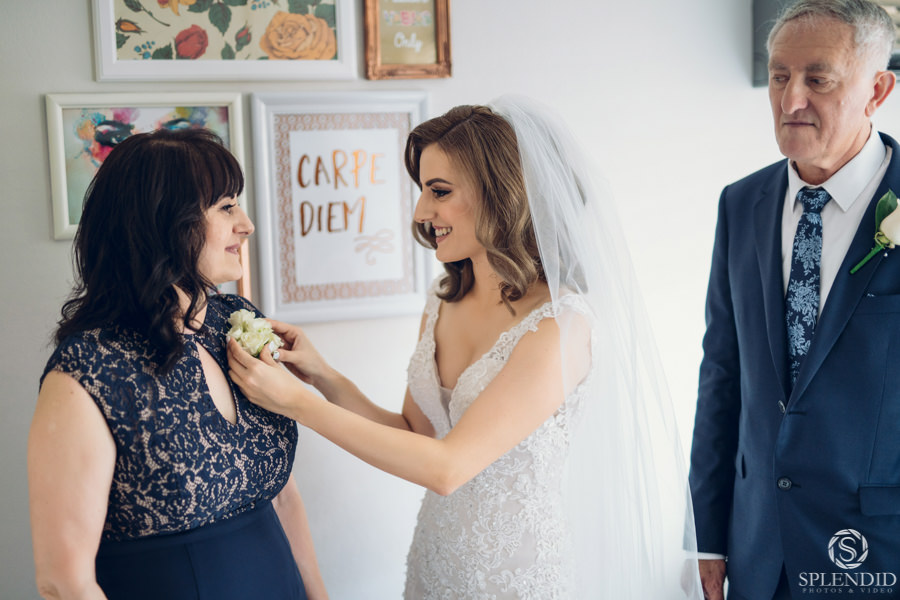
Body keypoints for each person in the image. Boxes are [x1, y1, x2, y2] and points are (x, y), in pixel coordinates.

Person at [228, 97, 703, 598]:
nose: (421, 212)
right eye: (422, 191)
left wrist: (296, 405)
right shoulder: (443, 300)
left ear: (500, 194)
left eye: (439, 191)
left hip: (515, 579)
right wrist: (323, 377)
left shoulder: (560, 325)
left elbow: (448, 467)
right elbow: (416, 434)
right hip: (436, 561)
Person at [28, 128, 328, 600]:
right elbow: (64, 581)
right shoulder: (88, 371)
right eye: (227, 207)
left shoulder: (237, 321)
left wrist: (318, 594)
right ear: (166, 222)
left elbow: (284, 496)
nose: (247, 224)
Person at [689, 1, 899, 598]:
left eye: (818, 79)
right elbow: (722, 375)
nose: (790, 100)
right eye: (779, 76)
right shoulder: (740, 204)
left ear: (876, 90)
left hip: (879, 547)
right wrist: (710, 536)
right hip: (760, 548)